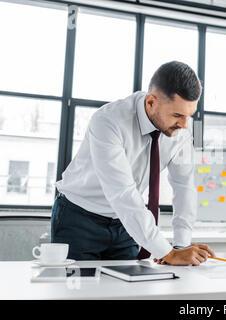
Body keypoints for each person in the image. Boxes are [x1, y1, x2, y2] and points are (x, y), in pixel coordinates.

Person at [51, 61, 215, 265]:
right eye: (177, 115)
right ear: (151, 102)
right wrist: (167, 253)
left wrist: (180, 246)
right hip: (79, 219)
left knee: (129, 292)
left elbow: (185, 187)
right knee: (78, 292)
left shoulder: (180, 132)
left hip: (125, 224)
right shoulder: (108, 121)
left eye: (189, 116)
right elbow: (121, 192)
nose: (183, 124)